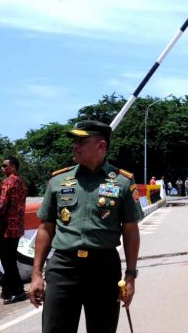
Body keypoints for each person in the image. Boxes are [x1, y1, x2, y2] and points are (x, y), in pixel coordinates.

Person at [30, 120, 143, 333]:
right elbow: (45, 228)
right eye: (74, 141)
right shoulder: (58, 180)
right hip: (63, 267)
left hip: (103, 268)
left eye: (81, 141)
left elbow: (130, 231)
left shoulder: (123, 182)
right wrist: (36, 274)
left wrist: (130, 276)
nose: (75, 146)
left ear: (101, 146)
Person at [0, 156, 28, 303]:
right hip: (17, 227)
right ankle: (9, 289)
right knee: (10, 260)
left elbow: (2, 205)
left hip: (6, 228)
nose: (2, 168)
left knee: (7, 261)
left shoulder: (7, 182)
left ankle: (17, 290)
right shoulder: (22, 183)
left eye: (5, 166)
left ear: (13, 167)